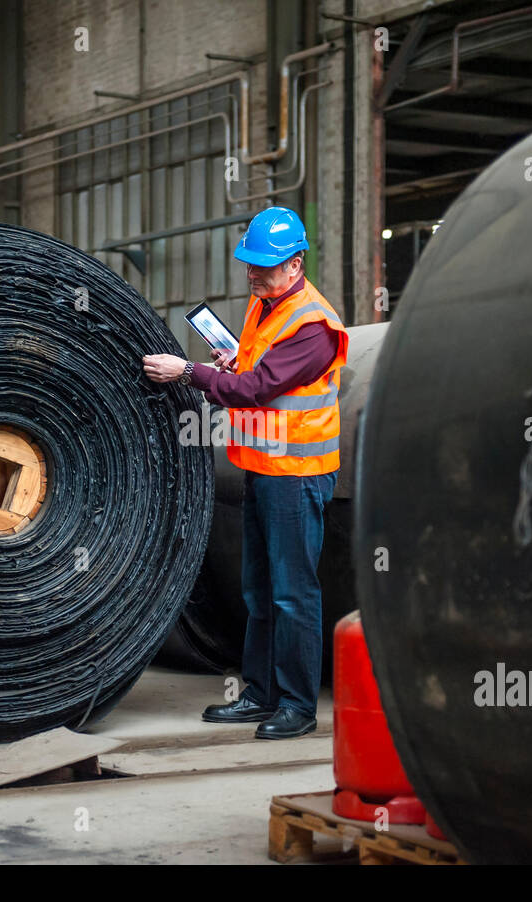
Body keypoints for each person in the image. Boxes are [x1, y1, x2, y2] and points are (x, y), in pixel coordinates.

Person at [142, 207, 348, 740]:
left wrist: (190, 372)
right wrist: (232, 359)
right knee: (259, 591)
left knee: (292, 593)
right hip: (262, 468)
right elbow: (254, 371)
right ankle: (258, 694)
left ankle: (298, 707)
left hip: (297, 475)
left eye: (264, 265)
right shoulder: (266, 302)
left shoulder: (315, 327)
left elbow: (258, 389)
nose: (252, 274)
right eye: (249, 264)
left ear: (296, 264)